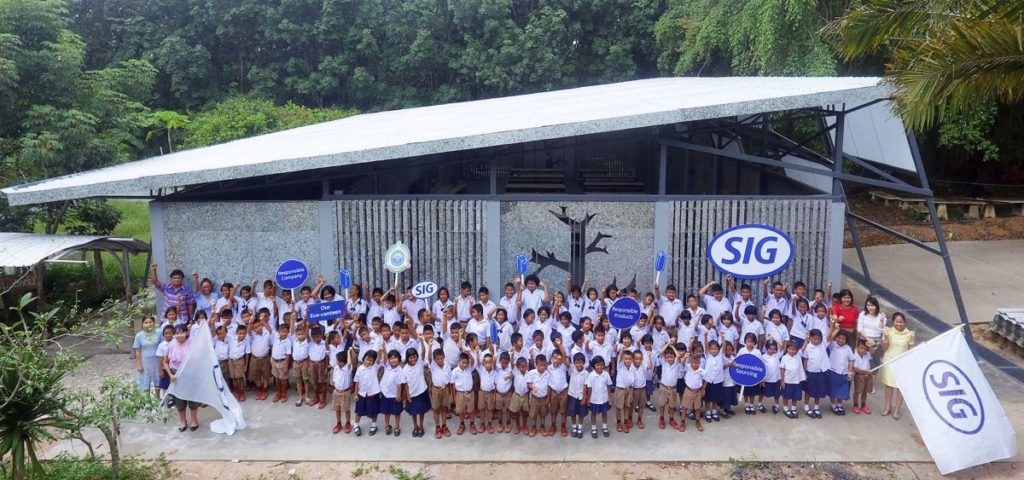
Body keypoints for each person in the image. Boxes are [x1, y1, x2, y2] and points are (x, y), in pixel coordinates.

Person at [163, 325, 199, 432]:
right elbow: (165, 362)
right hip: (176, 376)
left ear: (186, 333)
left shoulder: (192, 343)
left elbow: (198, 359)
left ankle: (194, 420)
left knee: (192, 399)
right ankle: (183, 421)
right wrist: (170, 375)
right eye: (177, 333)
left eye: (182, 332)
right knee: (179, 400)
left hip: (190, 375)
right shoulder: (171, 345)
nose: (180, 335)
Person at [880, 312, 915, 420]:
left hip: (903, 363)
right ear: (893, 322)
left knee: (900, 386)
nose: (899, 324)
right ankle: (887, 406)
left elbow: (911, 350)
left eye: (901, 322)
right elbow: (884, 348)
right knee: (889, 385)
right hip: (889, 362)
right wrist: (885, 337)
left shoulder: (910, 334)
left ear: (905, 322)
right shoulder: (888, 331)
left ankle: (897, 408)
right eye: (897, 322)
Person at [353, 349, 383, 436]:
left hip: (373, 394)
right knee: (359, 411)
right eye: (367, 359)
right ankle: (356, 425)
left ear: (374, 361)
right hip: (362, 394)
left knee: (374, 411)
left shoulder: (375, 367)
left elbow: (378, 358)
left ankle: (374, 425)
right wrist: (355, 394)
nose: (368, 362)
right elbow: (357, 382)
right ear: (364, 358)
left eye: (371, 360)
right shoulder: (360, 368)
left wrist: (380, 351)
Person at [379, 349, 408, 436]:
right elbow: (385, 357)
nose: (393, 360)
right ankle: (387, 425)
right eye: (391, 358)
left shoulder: (400, 371)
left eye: (395, 358)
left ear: (399, 359)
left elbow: (399, 385)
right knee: (386, 411)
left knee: (396, 412)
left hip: (394, 396)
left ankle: (396, 426)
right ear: (389, 360)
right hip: (385, 394)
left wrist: (398, 396)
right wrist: (384, 349)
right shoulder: (387, 366)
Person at [801, 329, 829, 419]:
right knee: (808, 390)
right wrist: (805, 372)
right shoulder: (808, 347)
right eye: (814, 339)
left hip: (820, 372)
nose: (816, 341)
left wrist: (833, 326)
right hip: (811, 372)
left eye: (818, 339)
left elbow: (830, 336)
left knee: (818, 391)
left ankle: (816, 407)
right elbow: (805, 360)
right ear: (810, 338)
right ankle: (806, 407)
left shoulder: (823, 345)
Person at [827, 330, 856, 416]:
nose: (840, 340)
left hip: (844, 373)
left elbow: (851, 360)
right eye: (839, 338)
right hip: (833, 371)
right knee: (832, 390)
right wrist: (835, 331)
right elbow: (830, 339)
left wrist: (850, 372)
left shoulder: (848, 348)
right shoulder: (832, 345)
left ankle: (839, 405)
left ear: (846, 340)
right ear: (836, 338)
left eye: (843, 339)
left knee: (842, 390)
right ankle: (833, 405)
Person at [404, 346, 430, 437]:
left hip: (422, 391)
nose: (413, 359)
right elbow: (405, 384)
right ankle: (415, 426)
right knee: (413, 412)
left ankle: (421, 425)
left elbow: (423, 351)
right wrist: (407, 395)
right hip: (412, 394)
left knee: (422, 410)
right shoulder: (405, 369)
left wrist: (421, 341)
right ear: (407, 359)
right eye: (410, 358)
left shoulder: (419, 363)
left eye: (414, 357)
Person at [584, 355, 612, 438]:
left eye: (601, 365)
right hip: (594, 399)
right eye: (597, 365)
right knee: (593, 413)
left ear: (604, 365)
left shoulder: (606, 374)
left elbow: (608, 386)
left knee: (604, 413)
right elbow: (589, 387)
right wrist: (588, 399)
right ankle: (593, 428)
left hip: (604, 398)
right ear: (594, 366)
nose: (600, 367)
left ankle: (605, 427)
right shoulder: (591, 375)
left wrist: (609, 397)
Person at [133, 316, 161, 396]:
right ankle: (147, 399)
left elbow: (162, 346)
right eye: (146, 323)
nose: (148, 324)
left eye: (150, 322)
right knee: (146, 381)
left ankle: (158, 397)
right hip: (145, 362)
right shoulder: (139, 335)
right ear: (142, 324)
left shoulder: (158, 333)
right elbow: (137, 351)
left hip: (156, 361)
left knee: (157, 380)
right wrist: (139, 364)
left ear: (154, 323)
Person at [428, 348, 453, 438]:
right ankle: (437, 427)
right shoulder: (433, 366)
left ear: (444, 357)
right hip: (436, 390)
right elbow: (429, 358)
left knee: (444, 408)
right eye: (437, 359)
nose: (440, 360)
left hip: (445, 389)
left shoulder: (447, 366)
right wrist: (430, 346)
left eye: (441, 358)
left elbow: (449, 380)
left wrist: (450, 393)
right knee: (435, 409)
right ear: (434, 360)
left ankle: (444, 426)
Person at [525, 354, 552, 437]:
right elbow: (528, 384)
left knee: (543, 414)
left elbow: (549, 387)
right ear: (536, 364)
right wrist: (532, 387)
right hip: (535, 398)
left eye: (544, 365)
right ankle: (534, 427)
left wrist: (548, 398)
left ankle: (542, 427)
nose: (543, 367)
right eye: (541, 365)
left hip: (544, 398)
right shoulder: (532, 373)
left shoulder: (547, 374)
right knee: (533, 414)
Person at [331, 349, 356, 434]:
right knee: (337, 409)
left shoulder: (347, 369)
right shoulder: (336, 368)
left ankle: (348, 423)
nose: (336, 361)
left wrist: (348, 352)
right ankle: (338, 423)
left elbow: (349, 363)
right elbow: (334, 378)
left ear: (342, 361)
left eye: (337, 360)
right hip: (336, 391)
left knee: (346, 409)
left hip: (345, 392)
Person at [779, 341, 806, 419]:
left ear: (796, 350)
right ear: (787, 349)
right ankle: (786, 409)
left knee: (795, 396)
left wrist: (807, 339)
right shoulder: (784, 358)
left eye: (793, 349)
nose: (791, 351)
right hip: (788, 381)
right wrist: (782, 381)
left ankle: (793, 409)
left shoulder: (798, 355)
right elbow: (782, 370)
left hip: (797, 381)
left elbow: (803, 347)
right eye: (789, 349)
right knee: (786, 396)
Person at [451, 352, 476, 435]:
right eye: (463, 362)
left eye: (466, 363)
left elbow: (473, 361)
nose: (465, 365)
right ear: (459, 361)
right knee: (461, 410)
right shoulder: (455, 371)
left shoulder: (469, 368)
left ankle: (472, 424)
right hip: (460, 394)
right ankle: (462, 424)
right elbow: (452, 384)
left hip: (470, 393)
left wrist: (469, 353)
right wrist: (453, 397)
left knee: (471, 410)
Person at [680, 354, 706, 432]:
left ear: (699, 363)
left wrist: (703, 388)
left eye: (696, 363)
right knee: (684, 407)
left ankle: (697, 422)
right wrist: (685, 356)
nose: (694, 364)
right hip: (688, 390)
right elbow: (682, 363)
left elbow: (707, 380)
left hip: (697, 392)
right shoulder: (688, 367)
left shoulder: (702, 371)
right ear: (690, 362)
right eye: (692, 363)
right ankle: (682, 422)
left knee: (697, 408)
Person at [852, 339, 873, 415]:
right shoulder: (854, 355)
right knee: (857, 391)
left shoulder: (867, 354)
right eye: (861, 348)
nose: (863, 350)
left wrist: (870, 346)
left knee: (865, 391)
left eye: (865, 348)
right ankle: (855, 405)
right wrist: (866, 371)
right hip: (859, 376)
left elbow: (872, 351)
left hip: (868, 376)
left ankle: (863, 405)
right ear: (857, 347)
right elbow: (855, 369)